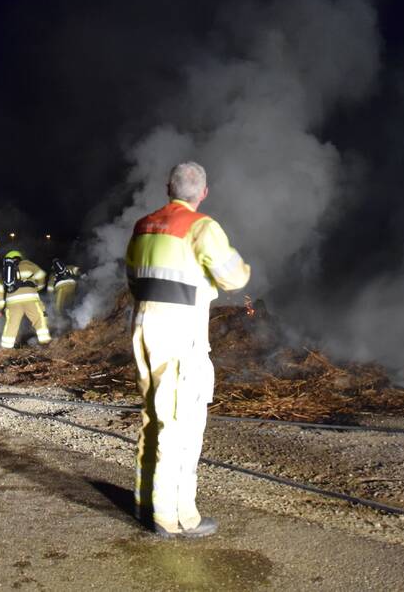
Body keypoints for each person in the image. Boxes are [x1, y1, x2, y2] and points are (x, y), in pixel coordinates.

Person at [126, 161, 251, 538]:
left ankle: (145, 501)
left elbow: (133, 278)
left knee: (154, 416)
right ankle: (175, 517)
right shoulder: (202, 227)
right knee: (181, 423)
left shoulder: (143, 226)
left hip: (143, 329)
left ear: (168, 188)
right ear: (203, 192)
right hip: (179, 334)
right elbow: (235, 276)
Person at [0, 250, 52, 349]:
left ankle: (5, 349)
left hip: (12, 302)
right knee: (39, 318)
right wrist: (38, 287)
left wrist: (2, 306)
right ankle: (45, 343)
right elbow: (42, 275)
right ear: (19, 257)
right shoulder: (27, 264)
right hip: (30, 298)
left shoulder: (4, 271)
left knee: (11, 325)